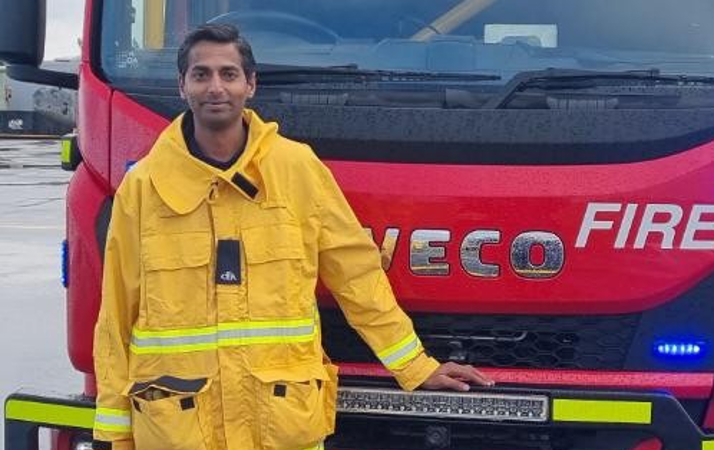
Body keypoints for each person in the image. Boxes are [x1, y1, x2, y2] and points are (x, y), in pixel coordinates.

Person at [92, 23, 493, 450]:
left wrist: (415, 365)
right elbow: (117, 314)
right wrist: (114, 432)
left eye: (229, 74)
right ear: (182, 86)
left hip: (281, 429)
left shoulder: (297, 168)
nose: (215, 87)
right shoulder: (145, 187)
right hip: (180, 432)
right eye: (201, 74)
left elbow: (356, 275)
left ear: (250, 85)